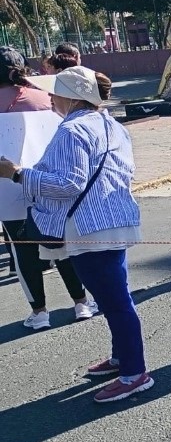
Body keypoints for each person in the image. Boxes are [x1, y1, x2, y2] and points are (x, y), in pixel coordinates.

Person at [0, 66, 150, 403]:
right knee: (115, 297)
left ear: (70, 96)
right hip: (112, 219)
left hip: (88, 227)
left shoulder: (72, 130)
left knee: (115, 301)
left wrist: (17, 174)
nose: (51, 98)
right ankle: (122, 359)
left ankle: (134, 372)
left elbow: (68, 184)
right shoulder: (109, 124)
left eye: (55, 92)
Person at [0, 47, 99, 330]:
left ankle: (39, 312)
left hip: (7, 189)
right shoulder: (45, 98)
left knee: (22, 251)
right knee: (60, 243)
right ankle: (81, 302)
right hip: (50, 183)